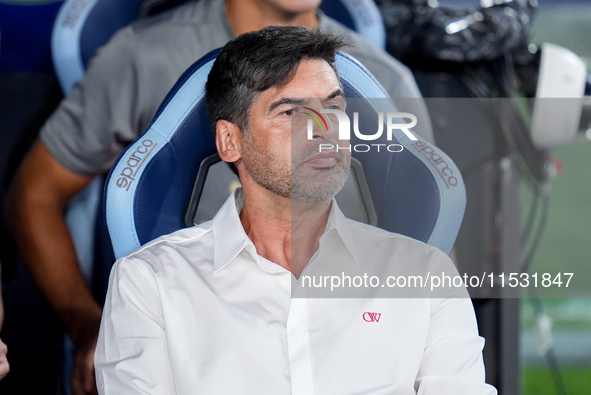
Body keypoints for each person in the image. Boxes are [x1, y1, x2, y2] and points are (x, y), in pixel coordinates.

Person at [5, 1, 433, 393]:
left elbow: (429, 239)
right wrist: (89, 325)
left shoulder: (386, 79)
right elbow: (35, 195)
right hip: (189, 344)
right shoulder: (145, 54)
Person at [94, 25, 496, 394]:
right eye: (290, 112)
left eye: (334, 106)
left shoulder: (425, 276)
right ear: (229, 141)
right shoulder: (148, 282)